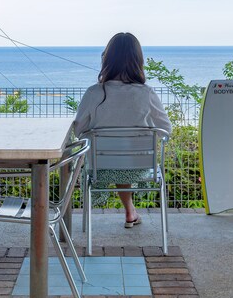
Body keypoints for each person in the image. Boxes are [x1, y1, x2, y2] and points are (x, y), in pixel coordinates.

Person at [71, 32, 172, 227]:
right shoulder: (146, 93)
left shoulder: (94, 93)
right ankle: (130, 212)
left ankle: (129, 212)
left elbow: (79, 131)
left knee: (116, 162)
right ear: (138, 60)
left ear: (107, 59)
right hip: (141, 168)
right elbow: (166, 130)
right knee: (124, 163)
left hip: (102, 168)